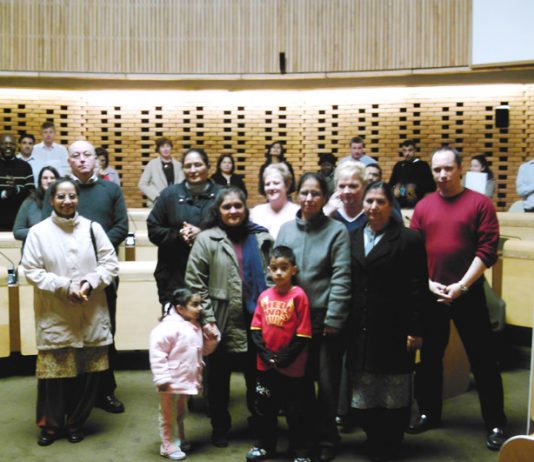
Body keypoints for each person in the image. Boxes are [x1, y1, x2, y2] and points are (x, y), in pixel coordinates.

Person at [408, 147, 507, 451]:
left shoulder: (480, 203)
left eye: (448, 169)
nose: (442, 175)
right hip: (433, 294)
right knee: (430, 359)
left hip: (468, 292)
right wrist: (428, 283)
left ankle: (495, 423)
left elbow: (487, 250)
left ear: (460, 169)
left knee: (484, 360)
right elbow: (412, 252)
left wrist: (462, 285)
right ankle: (429, 413)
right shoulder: (424, 206)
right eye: (437, 170)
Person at [21, 177, 119, 446]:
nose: (67, 201)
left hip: (91, 309)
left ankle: (76, 422)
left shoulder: (93, 229)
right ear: (52, 200)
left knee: (86, 374)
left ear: (78, 199)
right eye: (61, 197)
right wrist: (65, 287)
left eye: (72, 196)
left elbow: (110, 264)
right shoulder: (38, 232)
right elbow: (31, 271)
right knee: (53, 376)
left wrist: (89, 283)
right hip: (55, 313)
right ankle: (50, 426)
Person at [42, 140, 128, 415]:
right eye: (75, 155)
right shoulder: (60, 191)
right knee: (69, 333)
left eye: (86, 155)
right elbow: (46, 228)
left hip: (101, 275)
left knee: (104, 333)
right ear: (68, 160)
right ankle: (76, 393)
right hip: (65, 278)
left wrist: (92, 252)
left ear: (96, 159)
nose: (81, 160)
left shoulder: (111, 189)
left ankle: (105, 391)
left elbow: (121, 226)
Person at [345, 181, 429, 461]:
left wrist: (416, 329)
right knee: (367, 390)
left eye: (380, 201)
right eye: (369, 201)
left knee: (393, 391)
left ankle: (392, 445)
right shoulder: (353, 237)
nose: (374, 207)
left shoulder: (409, 239)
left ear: (390, 206)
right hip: (362, 328)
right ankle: (373, 439)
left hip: (394, 328)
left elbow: (418, 288)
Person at [185, 187, 273, 448]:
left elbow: (274, 276)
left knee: (257, 378)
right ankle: (220, 426)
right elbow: (195, 283)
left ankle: (259, 420)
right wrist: (207, 319)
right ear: (218, 211)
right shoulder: (207, 240)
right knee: (218, 379)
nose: (233, 211)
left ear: (245, 208)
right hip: (220, 320)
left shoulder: (262, 238)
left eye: (238, 206)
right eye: (227, 207)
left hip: (256, 320)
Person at [276, 173, 351, 462]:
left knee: (328, 384)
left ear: (325, 197)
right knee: (299, 385)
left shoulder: (336, 231)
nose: (309, 199)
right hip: (293, 322)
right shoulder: (285, 230)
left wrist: (334, 318)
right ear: (297, 195)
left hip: (323, 319)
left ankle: (327, 437)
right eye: (304, 193)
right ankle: (303, 438)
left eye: (315, 194)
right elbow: (276, 274)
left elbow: (342, 278)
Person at [247, 246, 312, 462]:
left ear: (293, 269)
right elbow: (256, 330)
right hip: (265, 367)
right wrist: (267, 356)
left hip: (292, 368)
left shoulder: (299, 296)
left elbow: (303, 334)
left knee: (296, 411)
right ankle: (264, 446)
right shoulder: (265, 296)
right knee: (265, 408)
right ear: (269, 270)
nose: (278, 273)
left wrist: (284, 359)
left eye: (284, 268)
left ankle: (300, 450)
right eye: (274, 268)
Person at [150, 288, 220, 461]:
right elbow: (157, 354)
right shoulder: (167, 328)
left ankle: (178, 439)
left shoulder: (194, 325)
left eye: (200, 304)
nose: (200, 308)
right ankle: (168, 445)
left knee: (180, 412)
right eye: (194, 304)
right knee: (168, 414)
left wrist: (211, 339)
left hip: (185, 379)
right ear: (180, 308)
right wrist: (162, 378)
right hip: (170, 381)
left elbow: (202, 351)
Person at [147, 148, 220, 307]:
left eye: (198, 165)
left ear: (208, 167)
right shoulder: (169, 195)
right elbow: (153, 230)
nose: (193, 170)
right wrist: (178, 234)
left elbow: (231, 233)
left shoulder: (222, 195)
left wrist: (202, 235)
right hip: (174, 278)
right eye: (188, 166)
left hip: (214, 278)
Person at [250, 163, 300, 239]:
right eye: (267, 184)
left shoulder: (298, 212)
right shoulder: (256, 212)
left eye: (276, 183)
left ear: (287, 185)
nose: (271, 188)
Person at [13, 165, 59, 242]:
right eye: (45, 178)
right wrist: (38, 231)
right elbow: (17, 232)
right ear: (40, 181)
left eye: (52, 178)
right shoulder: (30, 202)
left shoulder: (64, 202)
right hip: (33, 251)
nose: (49, 181)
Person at [0, 133, 35, 231]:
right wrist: (3, 193)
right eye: (4, 144)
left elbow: (32, 193)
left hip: (19, 219)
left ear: (16, 146)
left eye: (11, 144)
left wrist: (16, 189)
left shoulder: (25, 166)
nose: (8, 146)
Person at [139, 137, 185, 207]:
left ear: (171, 148)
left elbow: (182, 185)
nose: (165, 149)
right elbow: (142, 184)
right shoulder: (152, 164)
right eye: (162, 147)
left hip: (175, 203)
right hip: (157, 204)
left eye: (168, 146)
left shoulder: (178, 165)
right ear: (159, 149)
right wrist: (156, 196)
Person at [388, 139, 435, 208]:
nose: (407, 153)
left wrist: (414, 187)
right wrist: (396, 187)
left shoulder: (422, 165)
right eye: (405, 151)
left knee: (410, 189)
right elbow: (391, 184)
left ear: (415, 150)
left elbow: (431, 186)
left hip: (419, 200)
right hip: (401, 200)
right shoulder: (399, 165)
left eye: (410, 150)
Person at [324, 160, 367, 233]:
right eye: (342, 186)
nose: (346, 191)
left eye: (353, 186)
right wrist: (325, 214)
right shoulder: (330, 213)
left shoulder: (372, 213)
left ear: (364, 187)